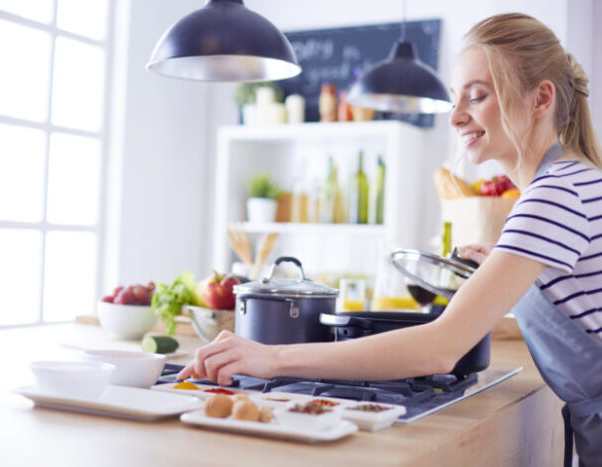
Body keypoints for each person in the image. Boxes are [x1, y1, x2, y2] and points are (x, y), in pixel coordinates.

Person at [178, 13, 602, 466]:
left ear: (541, 98)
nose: (456, 116)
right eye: (455, 99)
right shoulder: (573, 181)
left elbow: (440, 348)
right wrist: (503, 270)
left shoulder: (554, 194)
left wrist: (272, 358)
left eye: (476, 97)